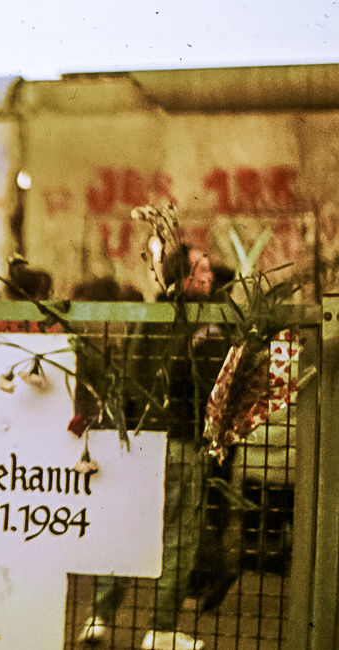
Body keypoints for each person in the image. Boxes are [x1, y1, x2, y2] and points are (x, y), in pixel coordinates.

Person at [78, 244, 224, 650]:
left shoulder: (145, 319)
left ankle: (98, 618)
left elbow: (126, 376)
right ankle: (160, 628)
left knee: (125, 530)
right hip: (180, 439)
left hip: (139, 442)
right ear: (183, 277)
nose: (209, 277)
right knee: (179, 537)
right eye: (203, 269)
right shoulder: (202, 324)